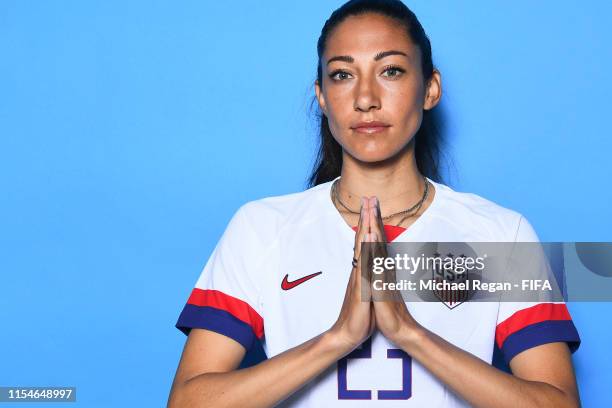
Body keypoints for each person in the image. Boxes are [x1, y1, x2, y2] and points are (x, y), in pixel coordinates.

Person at [167, 0, 581, 406]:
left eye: (391, 71)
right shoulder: (261, 228)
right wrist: (339, 338)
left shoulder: (500, 235)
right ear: (323, 96)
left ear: (431, 89)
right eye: (343, 74)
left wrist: (407, 332)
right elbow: (188, 401)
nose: (366, 98)